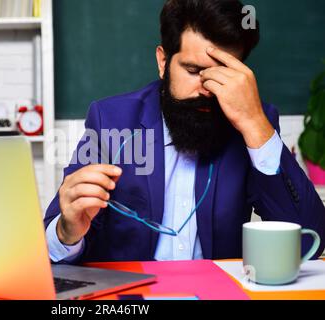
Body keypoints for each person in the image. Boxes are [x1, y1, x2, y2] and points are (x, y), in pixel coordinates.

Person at [44, 0, 325, 263]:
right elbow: (54, 244)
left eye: (223, 74)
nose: (207, 89)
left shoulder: (254, 123)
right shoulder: (111, 120)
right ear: (163, 62)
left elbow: (309, 245)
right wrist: (67, 232)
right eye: (193, 70)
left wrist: (255, 124)